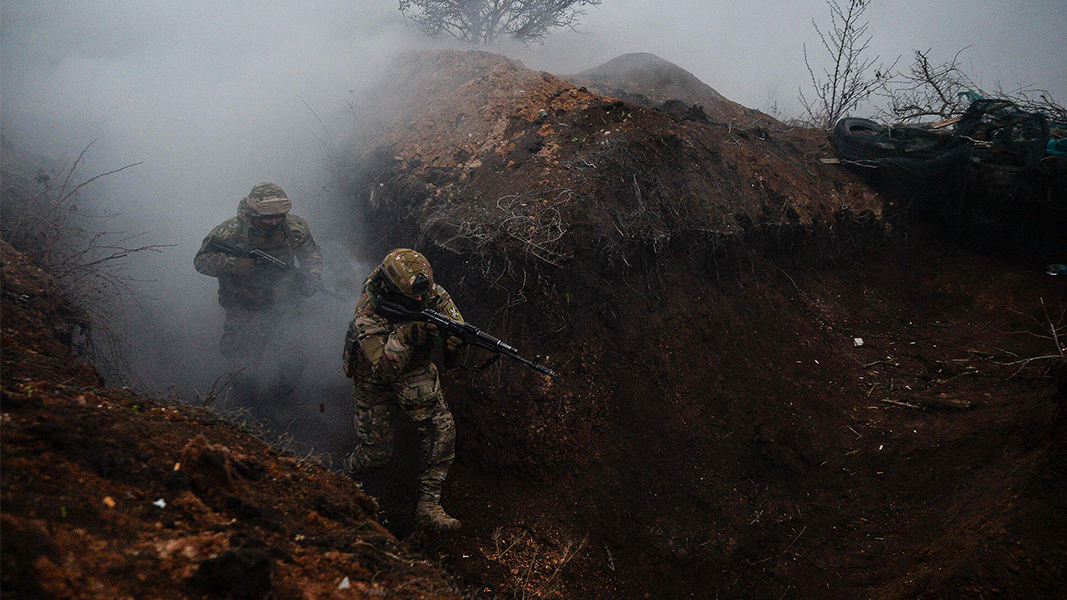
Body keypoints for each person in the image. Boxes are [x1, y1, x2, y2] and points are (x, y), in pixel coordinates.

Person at [342, 248, 466, 531]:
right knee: (376, 452)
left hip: (414, 370)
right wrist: (406, 335)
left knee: (441, 430)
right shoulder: (367, 312)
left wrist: (456, 338)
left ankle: (429, 507)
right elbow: (383, 369)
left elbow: (455, 320)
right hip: (374, 378)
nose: (422, 300)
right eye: (414, 298)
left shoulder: (426, 290)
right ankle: (346, 478)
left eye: (423, 295)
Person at [194, 182, 322, 407]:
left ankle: (279, 400)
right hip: (243, 308)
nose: (274, 221)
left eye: (279, 216)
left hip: (284, 305)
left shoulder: (295, 228)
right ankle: (245, 410)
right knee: (242, 363)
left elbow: (311, 252)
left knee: (293, 360)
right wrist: (234, 264)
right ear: (253, 214)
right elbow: (201, 261)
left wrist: (312, 278)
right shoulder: (230, 231)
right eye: (267, 218)